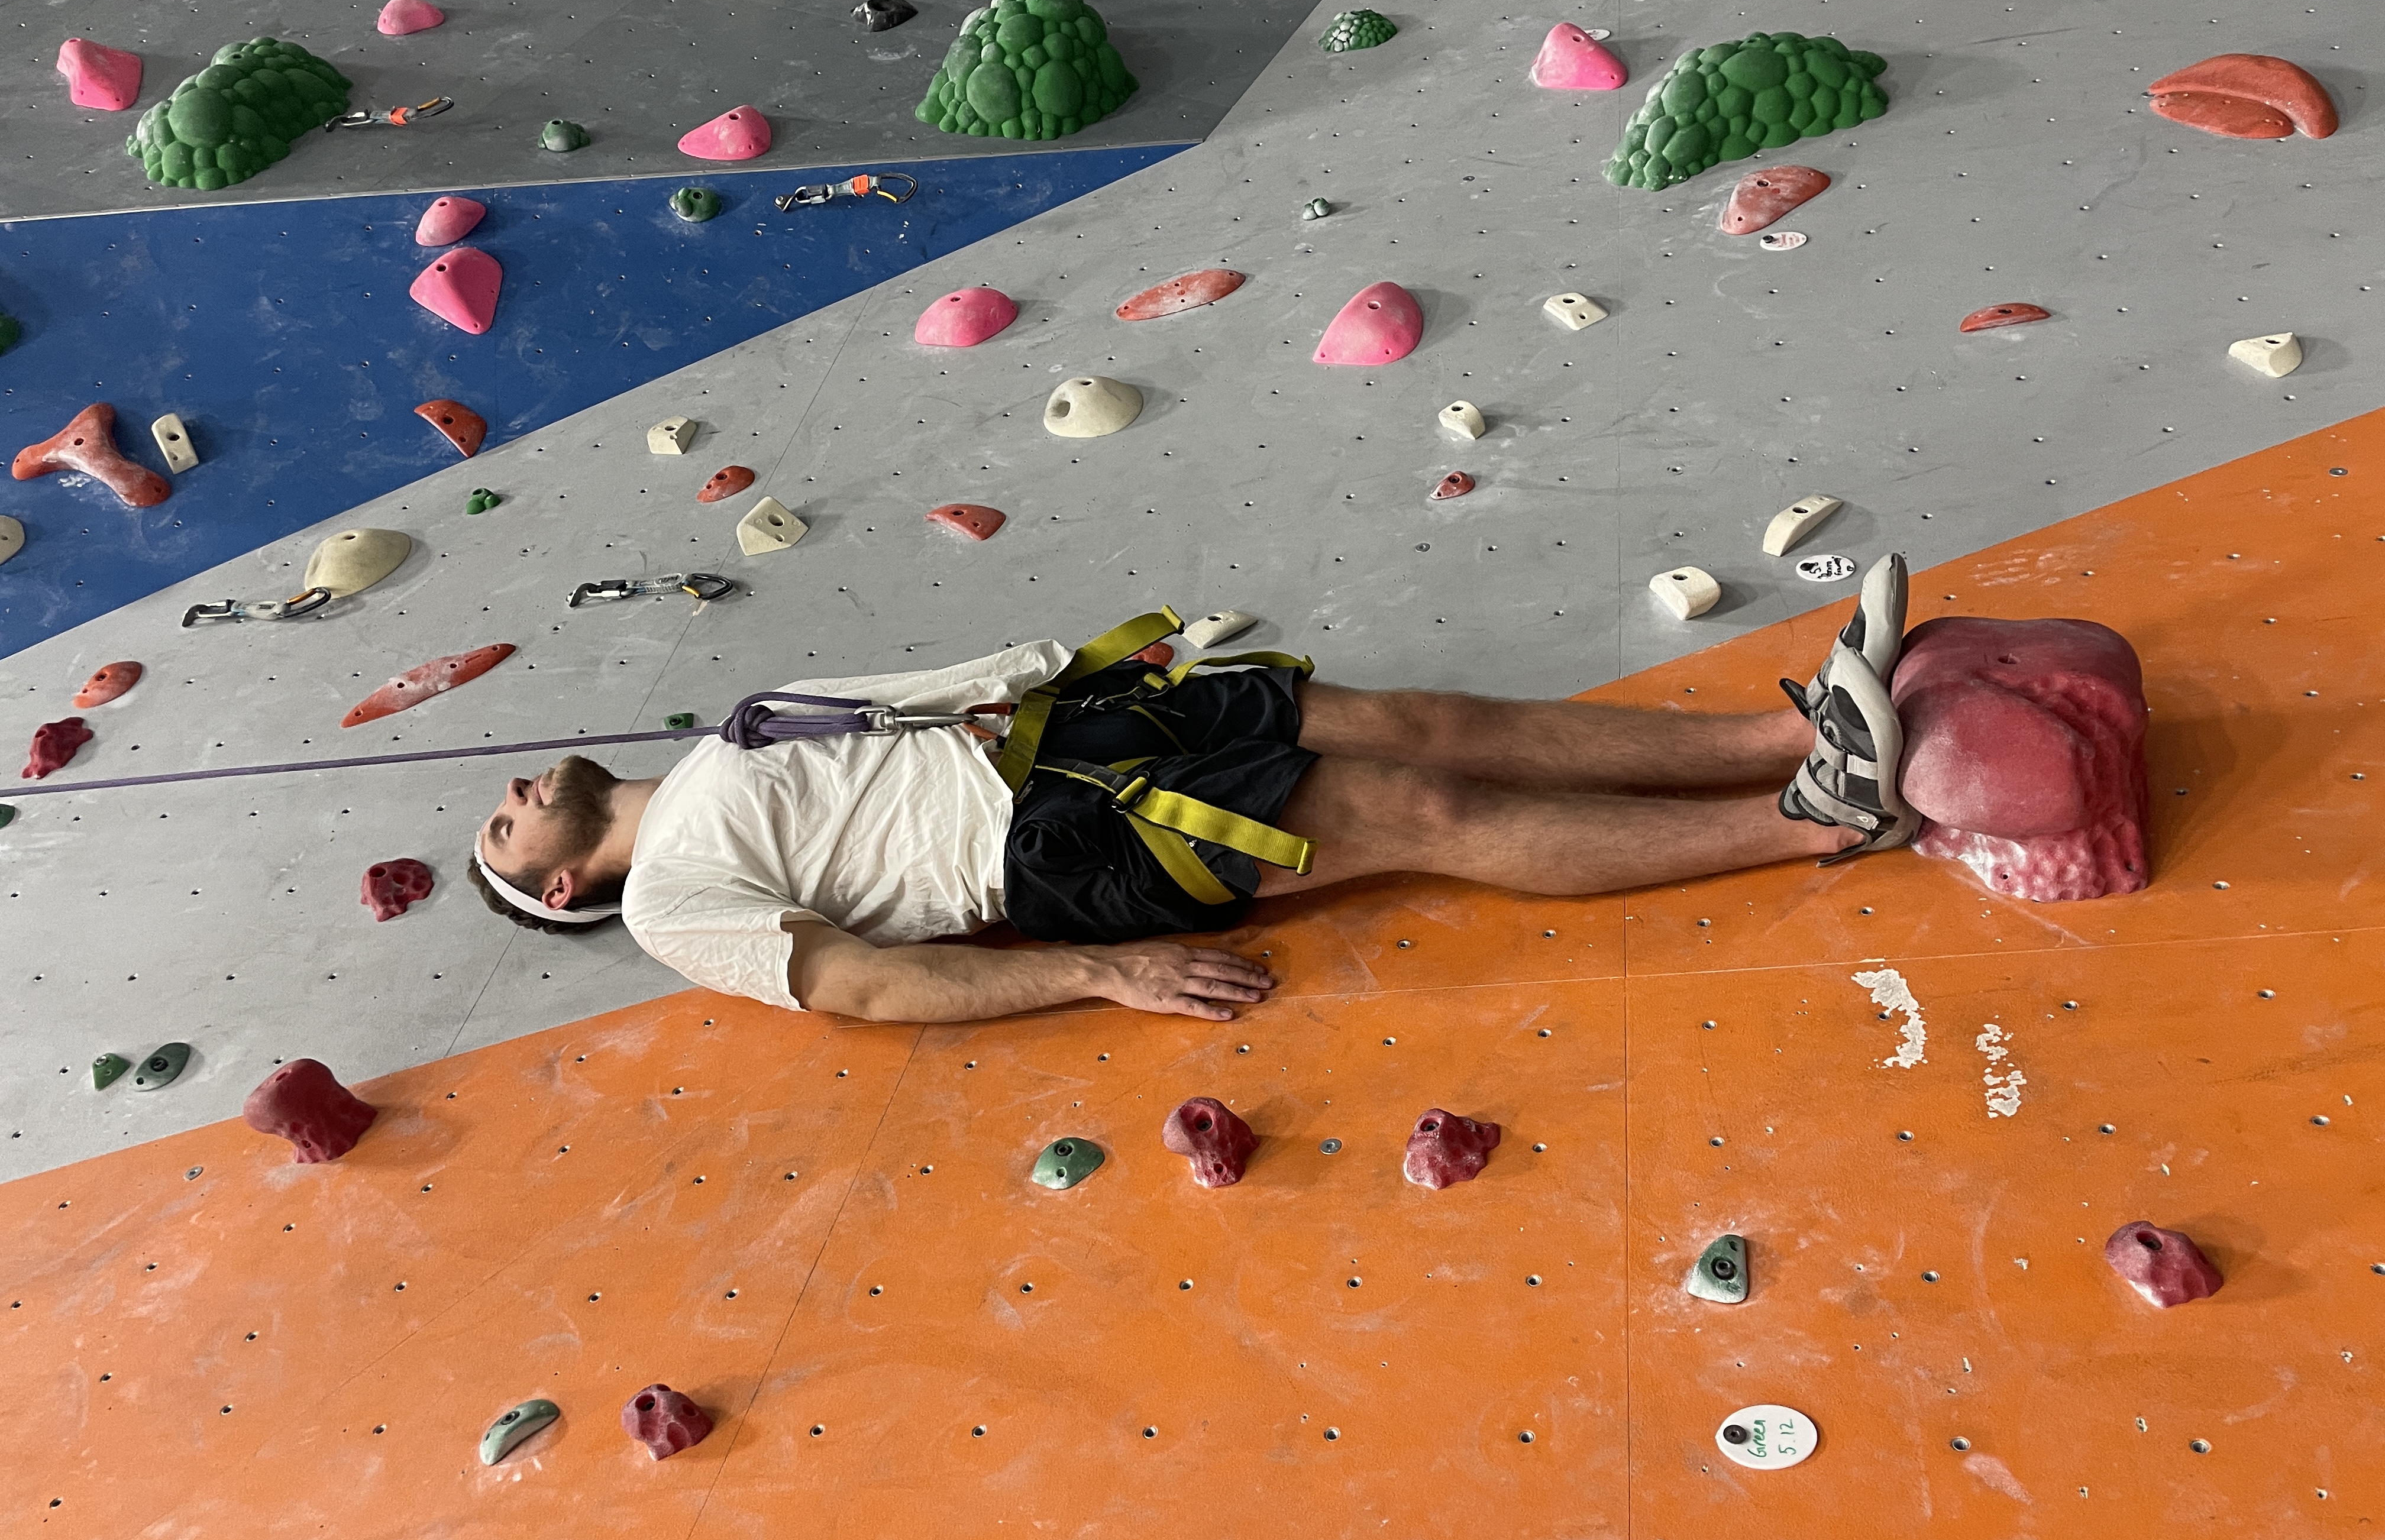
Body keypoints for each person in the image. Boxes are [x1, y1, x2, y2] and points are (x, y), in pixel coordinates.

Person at [469, 558, 1917, 1024]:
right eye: (505, 825)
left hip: (1069, 725)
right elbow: (859, 987)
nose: (518, 790)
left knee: (1423, 719)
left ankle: (1783, 738)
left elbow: (919, 695)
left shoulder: (737, 732)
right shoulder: (667, 902)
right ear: (557, 885)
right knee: (1426, 820)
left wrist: (1083, 662)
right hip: (1057, 838)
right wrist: (1105, 972)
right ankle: (1813, 823)